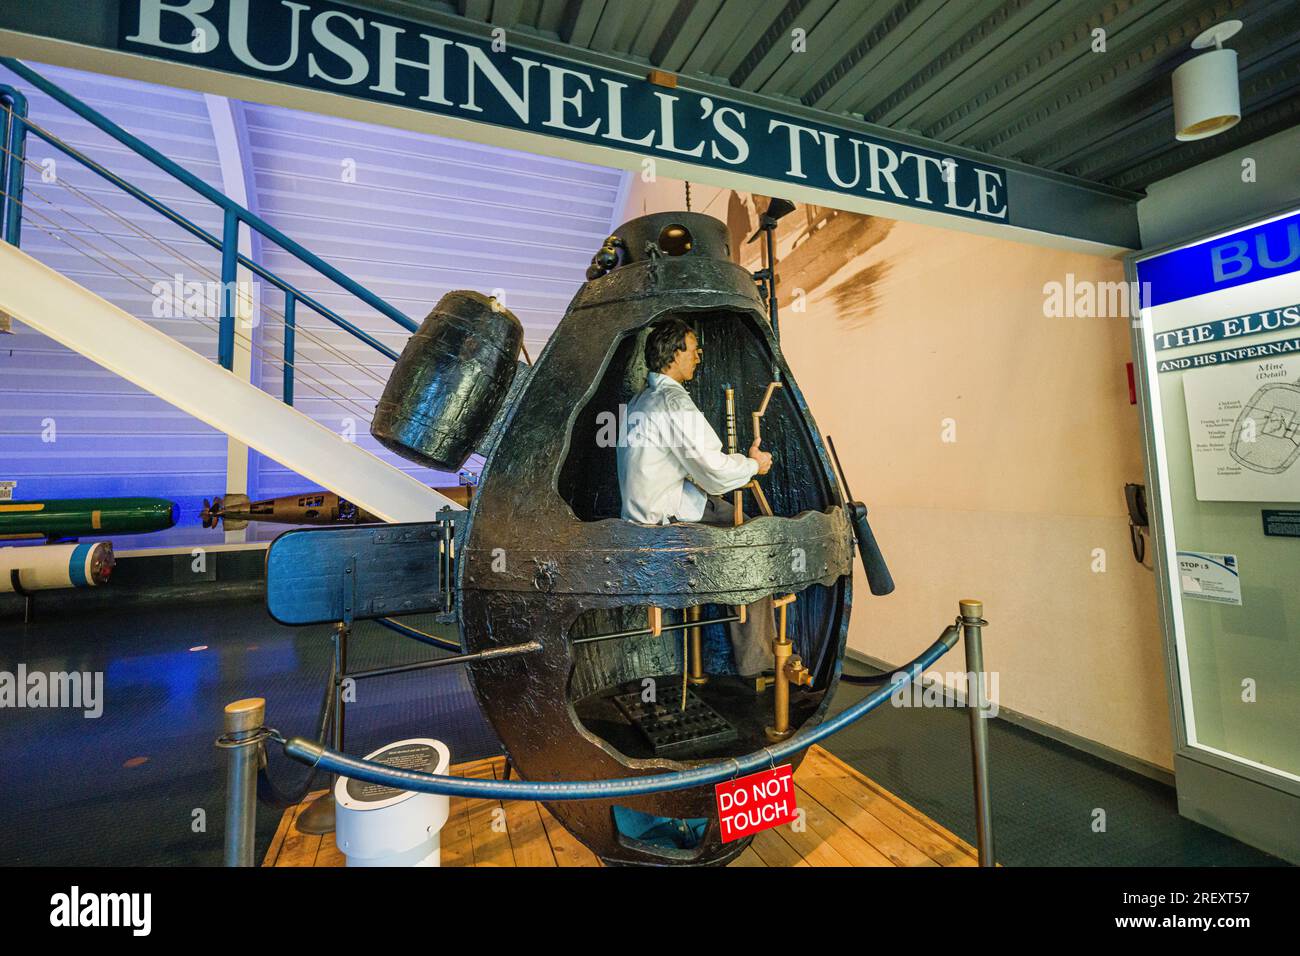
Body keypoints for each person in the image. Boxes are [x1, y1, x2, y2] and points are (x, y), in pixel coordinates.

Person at [616, 317, 775, 677]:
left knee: (733, 520)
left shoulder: (643, 399)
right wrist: (753, 465)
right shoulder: (672, 400)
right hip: (666, 520)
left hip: (642, 516)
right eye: (693, 349)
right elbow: (716, 472)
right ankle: (757, 664)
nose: (699, 356)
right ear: (674, 355)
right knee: (754, 547)